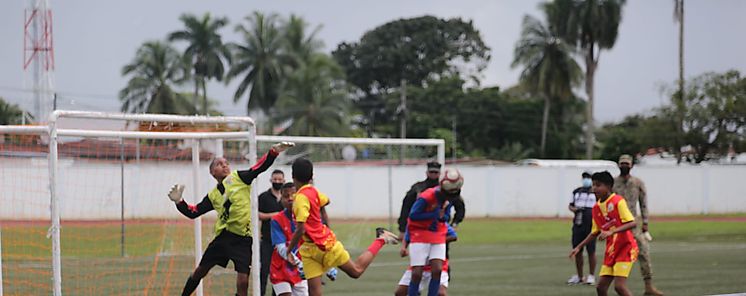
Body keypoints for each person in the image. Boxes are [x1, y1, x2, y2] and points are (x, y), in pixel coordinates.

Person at [168, 141, 294, 296]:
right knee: (200, 271)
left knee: (243, 282)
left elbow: (259, 168)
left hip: (243, 238)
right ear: (213, 172)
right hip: (223, 237)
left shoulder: (239, 178)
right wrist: (179, 202)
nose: (225, 165)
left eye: (226, 163)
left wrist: (274, 152)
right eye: (219, 164)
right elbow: (194, 212)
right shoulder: (213, 195)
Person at [286, 158, 399, 296]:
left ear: (293, 176)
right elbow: (326, 201)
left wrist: (289, 250)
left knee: (356, 271)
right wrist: (321, 222)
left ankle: (381, 238)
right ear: (311, 176)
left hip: (325, 246)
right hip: (309, 249)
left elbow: (301, 228)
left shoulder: (300, 198)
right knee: (314, 293)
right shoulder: (312, 191)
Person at [570, 171, 638, 296]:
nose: (594, 188)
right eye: (593, 185)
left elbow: (632, 223)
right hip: (611, 251)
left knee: (619, 287)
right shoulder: (596, 208)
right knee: (601, 288)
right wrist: (579, 247)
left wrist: (612, 231)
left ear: (608, 187)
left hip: (625, 248)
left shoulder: (618, 201)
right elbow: (594, 232)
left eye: (598, 185)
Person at [397, 162, 465, 280]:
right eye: (431, 172)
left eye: (436, 172)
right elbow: (406, 207)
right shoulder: (418, 188)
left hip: (439, 229)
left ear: (440, 174)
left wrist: (455, 223)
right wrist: (402, 228)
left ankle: (443, 282)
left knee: (441, 260)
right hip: (420, 230)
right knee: (418, 264)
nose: (433, 174)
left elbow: (460, 207)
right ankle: (416, 287)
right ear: (427, 172)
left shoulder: (447, 188)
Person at [613, 154, 664, 296]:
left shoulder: (637, 183)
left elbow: (643, 203)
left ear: (631, 165)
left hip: (634, 225)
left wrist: (646, 222)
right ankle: (618, 285)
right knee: (616, 256)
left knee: (644, 253)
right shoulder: (613, 183)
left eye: (627, 164)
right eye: (622, 163)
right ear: (618, 165)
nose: (624, 166)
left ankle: (649, 286)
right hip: (618, 227)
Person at [395, 225, 458, 296]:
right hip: (417, 265)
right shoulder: (414, 220)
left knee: (440, 293)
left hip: (437, 265)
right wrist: (404, 247)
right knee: (400, 293)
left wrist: (436, 241)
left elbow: (454, 236)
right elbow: (407, 235)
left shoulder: (437, 220)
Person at [269, 182, 308, 296]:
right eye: (286, 196)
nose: (290, 199)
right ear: (281, 199)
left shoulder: (305, 217)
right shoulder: (276, 220)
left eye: (293, 195)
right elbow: (281, 247)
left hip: (300, 269)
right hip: (280, 267)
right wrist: (297, 262)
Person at [259, 169, 287, 296]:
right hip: (267, 240)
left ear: (284, 181)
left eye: (279, 180)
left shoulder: (287, 198)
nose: (277, 182)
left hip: (283, 242)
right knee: (264, 270)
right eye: (275, 179)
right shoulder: (263, 197)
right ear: (270, 180)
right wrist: (273, 216)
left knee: (280, 272)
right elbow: (257, 214)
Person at [567, 171, 597, 285]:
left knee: (591, 251)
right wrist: (574, 209)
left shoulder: (595, 192)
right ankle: (579, 276)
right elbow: (571, 205)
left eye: (588, 177)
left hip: (591, 225)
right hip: (578, 224)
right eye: (584, 177)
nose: (586, 179)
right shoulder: (577, 191)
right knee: (577, 250)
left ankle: (591, 275)